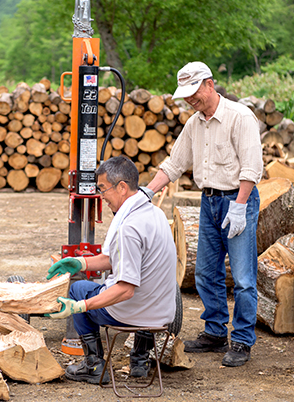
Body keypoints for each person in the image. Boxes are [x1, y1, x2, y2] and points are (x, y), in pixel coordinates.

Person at [144, 61, 263, 367]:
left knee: (244, 277)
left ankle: (242, 340)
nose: (190, 99)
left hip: (238, 200)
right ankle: (214, 332)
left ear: (209, 84)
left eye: (194, 92)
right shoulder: (195, 123)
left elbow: (251, 167)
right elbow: (174, 164)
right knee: (205, 273)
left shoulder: (240, 117)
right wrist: (147, 192)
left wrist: (239, 206)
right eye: (186, 94)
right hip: (208, 201)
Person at [45, 156, 177, 384]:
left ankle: (94, 365)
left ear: (122, 187)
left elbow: (125, 290)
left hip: (133, 312)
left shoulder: (128, 227)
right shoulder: (156, 214)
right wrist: (81, 263)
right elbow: (115, 258)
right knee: (95, 285)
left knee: (78, 289)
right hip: (163, 313)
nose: (102, 196)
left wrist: (80, 306)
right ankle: (140, 360)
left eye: (104, 189)